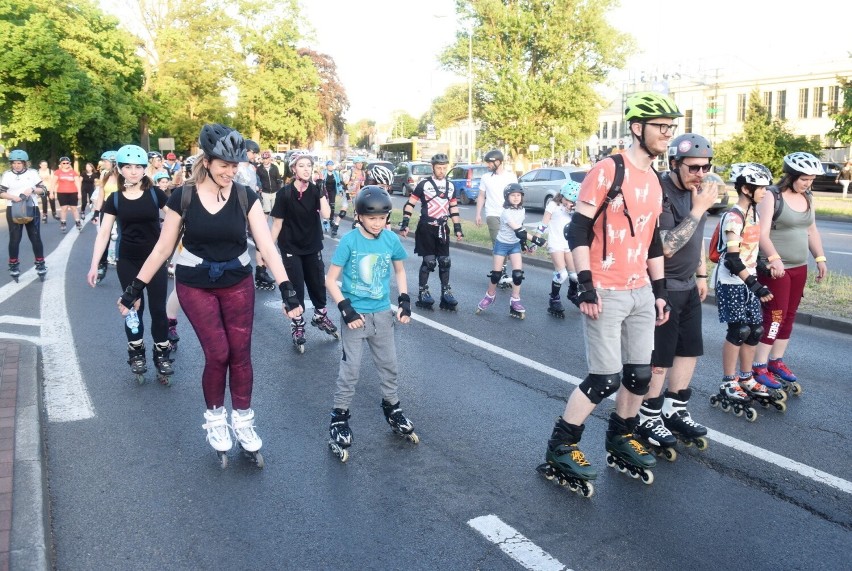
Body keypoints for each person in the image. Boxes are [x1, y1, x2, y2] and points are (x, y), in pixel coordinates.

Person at [116, 123, 303, 468]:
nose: (232, 172)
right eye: (224, 165)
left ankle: (243, 422)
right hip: (195, 282)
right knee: (217, 353)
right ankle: (216, 421)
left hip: (236, 281)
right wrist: (134, 289)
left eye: (236, 165)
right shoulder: (181, 197)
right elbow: (161, 249)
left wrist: (288, 291)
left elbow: (267, 246)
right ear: (207, 160)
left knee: (240, 354)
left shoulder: (246, 196)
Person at [537, 92, 680, 494]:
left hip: (639, 290)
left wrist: (660, 291)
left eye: (671, 128)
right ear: (637, 128)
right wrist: (584, 285)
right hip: (605, 288)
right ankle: (561, 447)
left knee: (639, 377)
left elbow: (652, 242)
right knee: (604, 378)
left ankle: (621, 437)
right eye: (661, 127)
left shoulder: (654, 180)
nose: (667, 135)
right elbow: (577, 230)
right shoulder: (608, 169)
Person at [635, 133, 718, 458]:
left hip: (688, 285)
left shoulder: (697, 192)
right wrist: (698, 211)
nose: (701, 174)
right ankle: (648, 415)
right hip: (661, 286)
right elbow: (666, 246)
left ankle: (674, 409)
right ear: (674, 163)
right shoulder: (661, 193)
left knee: (689, 350)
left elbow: (696, 239)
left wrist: (701, 274)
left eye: (706, 167)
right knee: (661, 356)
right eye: (694, 168)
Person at [324, 185, 415, 462]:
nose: (378, 223)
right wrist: (346, 309)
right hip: (355, 318)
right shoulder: (350, 241)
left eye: (382, 218)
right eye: (372, 218)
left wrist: (404, 300)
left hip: (382, 316)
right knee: (350, 370)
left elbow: (399, 269)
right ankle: (339, 416)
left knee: (390, 366)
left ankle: (393, 408)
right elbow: (330, 279)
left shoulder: (389, 240)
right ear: (359, 216)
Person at [87, 145, 174, 385]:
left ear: (145, 169)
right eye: (128, 167)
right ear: (120, 169)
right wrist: (95, 265)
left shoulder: (156, 194)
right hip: (127, 260)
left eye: (138, 167)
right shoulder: (115, 199)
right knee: (133, 308)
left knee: (158, 309)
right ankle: (136, 354)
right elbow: (104, 234)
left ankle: (162, 355)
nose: (133, 172)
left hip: (155, 259)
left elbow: (177, 219)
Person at [709, 163, 781, 420]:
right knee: (738, 330)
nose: (764, 192)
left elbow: (751, 254)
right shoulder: (733, 217)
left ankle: (747, 377)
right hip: (731, 283)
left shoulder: (754, 215)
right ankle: (729, 381)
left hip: (748, 280)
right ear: (745, 188)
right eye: (760, 187)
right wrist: (755, 284)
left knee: (756, 330)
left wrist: (765, 265)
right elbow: (732, 259)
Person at [752, 152, 828, 395]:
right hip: (776, 269)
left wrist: (820, 258)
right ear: (792, 175)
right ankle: (759, 365)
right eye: (805, 178)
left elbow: (811, 230)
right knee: (775, 316)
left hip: (799, 267)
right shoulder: (772, 197)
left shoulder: (808, 197)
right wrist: (774, 259)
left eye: (811, 179)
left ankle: (776, 360)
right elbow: (762, 234)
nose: (809, 183)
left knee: (790, 315)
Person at [270, 151, 336, 352]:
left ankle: (320, 315)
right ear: (293, 169)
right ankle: (297, 324)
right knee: (296, 286)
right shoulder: (284, 194)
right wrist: (266, 252)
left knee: (317, 282)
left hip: (313, 245)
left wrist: (323, 191)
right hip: (290, 247)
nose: (307, 169)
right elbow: (277, 225)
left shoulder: (316, 190)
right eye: (302, 165)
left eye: (309, 165)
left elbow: (326, 214)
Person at [399, 153, 464, 310]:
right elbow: (410, 204)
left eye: (444, 168)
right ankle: (423, 292)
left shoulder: (451, 186)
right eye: (438, 168)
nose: (442, 171)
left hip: (443, 228)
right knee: (429, 262)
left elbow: (453, 208)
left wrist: (457, 228)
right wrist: (405, 223)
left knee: (445, 261)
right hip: (426, 228)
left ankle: (445, 293)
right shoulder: (424, 184)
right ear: (433, 167)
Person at [474, 183, 542, 319]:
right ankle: (490, 295)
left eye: (518, 195)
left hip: (514, 244)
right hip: (502, 244)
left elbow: (520, 228)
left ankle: (515, 300)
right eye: (513, 195)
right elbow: (519, 231)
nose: (516, 198)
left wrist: (524, 244)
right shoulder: (505, 213)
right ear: (507, 197)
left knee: (518, 275)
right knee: (496, 275)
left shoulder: (522, 210)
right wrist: (537, 240)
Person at [2, 149, 48, 281]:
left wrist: (32, 189)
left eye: (19, 163)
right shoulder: (7, 175)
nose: (16, 165)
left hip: (31, 208)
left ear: (24, 163)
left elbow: (43, 190)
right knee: (15, 238)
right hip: (13, 208)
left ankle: (40, 264)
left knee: (35, 237)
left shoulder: (32, 173)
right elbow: (1, 192)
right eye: (14, 163)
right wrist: (13, 197)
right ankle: (13, 264)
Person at [537, 180, 580, 318]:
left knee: (575, 275)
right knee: (562, 274)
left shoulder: (574, 208)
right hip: (555, 243)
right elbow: (544, 222)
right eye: (568, 199)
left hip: (568, 243)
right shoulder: (553, 205)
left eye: (572, 201)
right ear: (562, 195)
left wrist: (574, 211)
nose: (569, 203)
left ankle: (572, 294)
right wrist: (536, 238)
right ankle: (554, 299)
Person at [476, 149, 518, 288]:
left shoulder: (511, 177)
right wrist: (478, 214)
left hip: (508, 215)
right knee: (498, 242)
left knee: (508, 242)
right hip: (492, 213)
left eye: (490, 162)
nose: (487, 165)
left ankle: (501, 270)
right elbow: (481, 196)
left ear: (498, 162)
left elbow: (516, 196)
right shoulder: (486, 178)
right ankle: (500, 272)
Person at [93, 151, 120, 283]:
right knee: (104, 236)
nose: (103, 164)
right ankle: (102, 264)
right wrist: (96, 212)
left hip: (121, 209)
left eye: (106, 162)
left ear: (114, 162)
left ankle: (121, 258)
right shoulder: (104, 174)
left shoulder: (123, 175)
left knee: (121, 235)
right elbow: (101, 195)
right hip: (107, 209)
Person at [330, 157, 365, 237]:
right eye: (359, 163)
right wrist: (348, 195)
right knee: (343, 212)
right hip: (348, 193)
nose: (360, 165)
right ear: (355, 164)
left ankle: (355, 231)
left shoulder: (363, 173)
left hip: (357, 195)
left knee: (357, 213)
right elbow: (344, 184)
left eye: (361, 163)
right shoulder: (350, 172)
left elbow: (362, 185)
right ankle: (335, 227)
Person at [52, 156, 82, 232]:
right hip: (61, 192)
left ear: (69, 163)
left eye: (67, 163)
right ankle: (63, 222)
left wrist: (79, 193)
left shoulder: (73, 172)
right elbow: (53, 183)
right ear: (61, 164)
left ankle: (78, 222)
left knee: (74, 208)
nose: (65, 164)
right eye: (64, 163)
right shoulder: (58, 172)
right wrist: (51, 192)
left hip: (73, 192)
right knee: (64, 208)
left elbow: (77, 182)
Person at [256, 150, 283, 216]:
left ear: (269, 159)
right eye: (263, 159)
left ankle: (275, 226)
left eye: (266, 158)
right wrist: (259, 189)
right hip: (265, 192)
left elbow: (278, 179)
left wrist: (279, 190)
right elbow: (257, 180)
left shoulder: (274, 167)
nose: (265, 160)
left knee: (275, 212)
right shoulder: (259, 169)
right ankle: (265, 226)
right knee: (266, 211)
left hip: (275, 191)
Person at [321, 160, 342, 228]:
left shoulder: (335, 173)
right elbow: (320, 182)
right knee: (325, 205)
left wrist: (340, 190)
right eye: (329, 166)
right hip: (325, 191)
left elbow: (338, 183)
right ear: (326, 166)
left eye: (331, 165)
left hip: (333, 191)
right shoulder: (323, 173)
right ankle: (324, 219)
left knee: (332, 206)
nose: (330, 167)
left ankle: (331, 219)